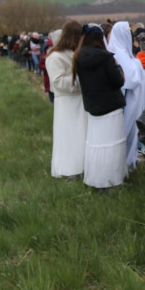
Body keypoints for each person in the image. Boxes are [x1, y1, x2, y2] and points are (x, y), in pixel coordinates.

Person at [73, 25, 127, 189]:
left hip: (92, 107)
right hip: (111, 107)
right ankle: (112, 179)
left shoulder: (79, 57)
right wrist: (118, 67)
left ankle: (96, 179)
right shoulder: (106, 58)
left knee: (95, 145)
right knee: (112, 146)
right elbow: (118, 82)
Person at [46, 21, 87, 179]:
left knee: (81, 136)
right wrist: (81, 79)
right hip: (67, 102)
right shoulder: (55, 56)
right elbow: (58, 82)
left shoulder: (77, 52)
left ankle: (82, 167)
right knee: (69, 136)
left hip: (80, 101)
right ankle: (70, 170)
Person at [106, 20, 145, 172]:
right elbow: (131, 80)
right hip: (126, 102)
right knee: (125, 134)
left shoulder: (113, 52)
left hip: (123, 101)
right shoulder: (121, 55)